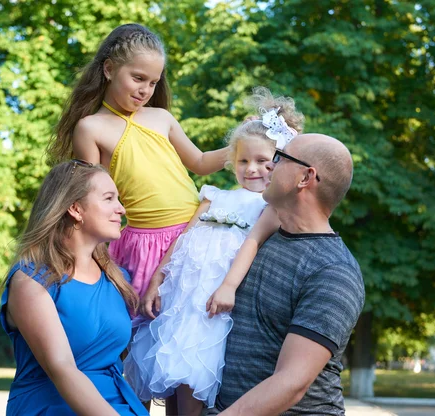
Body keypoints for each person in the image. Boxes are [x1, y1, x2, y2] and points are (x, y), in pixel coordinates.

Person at [124, 88, 305, 416]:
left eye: (263, 161)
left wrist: (228, 287)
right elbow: (182, 240)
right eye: (243, 160)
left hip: (212, 304)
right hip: (179, 300)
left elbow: (251, 248)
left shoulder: (271, 207)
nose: (251, 169)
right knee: (169, 368)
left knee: (193, 372)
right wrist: (156, 281)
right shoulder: (213, 196)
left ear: (279, 162)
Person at [48, 23, 228, 305]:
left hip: (195, 231)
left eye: (153, 82)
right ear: (109, 70)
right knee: (147, 327)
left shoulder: (161, 117)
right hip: (146, 244)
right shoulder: (90, 128)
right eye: (138, 78)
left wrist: (244, 144)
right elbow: (92, 200)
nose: (145, 89)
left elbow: (201, 162)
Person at [210, 133, 365, 416]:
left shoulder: (333, 272)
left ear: (305, 178)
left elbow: (291, 382)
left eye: (280, 158)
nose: (269, 165)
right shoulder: (254, 241)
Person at [0, 160, 148, 416]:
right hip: (52, 407)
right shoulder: (31, 280)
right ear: (75, 208)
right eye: (109, 198)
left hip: (117, 404)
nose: (121, 209)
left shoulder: (117, 279)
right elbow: (63, 369)